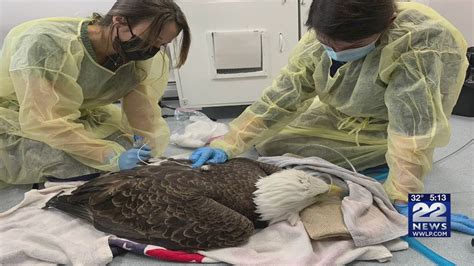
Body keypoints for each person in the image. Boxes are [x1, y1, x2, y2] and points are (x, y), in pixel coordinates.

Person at [190, 0, 474, 234]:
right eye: (328, 43)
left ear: (388, 25)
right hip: (340, 111)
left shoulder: (421, 42)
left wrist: (408, 198)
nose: (337, 53)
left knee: (392, 175)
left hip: (384, 127)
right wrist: (228, 142)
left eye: (353, 45)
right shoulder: (327, 24)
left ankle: (387, 168)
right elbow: (283, 95)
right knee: (269, 143)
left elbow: (412, 126)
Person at [0, 0, 191, 188]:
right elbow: (43, 119)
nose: (154, 49)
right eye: (152, 38)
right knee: (69, 161)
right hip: (22, 115)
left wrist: (146, 145)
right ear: (119, 21)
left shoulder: (136, 52)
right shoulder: (46, 43)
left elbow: (143, 110)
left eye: (162, 44)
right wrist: (110, 157)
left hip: (78, 112)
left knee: (125, 148)